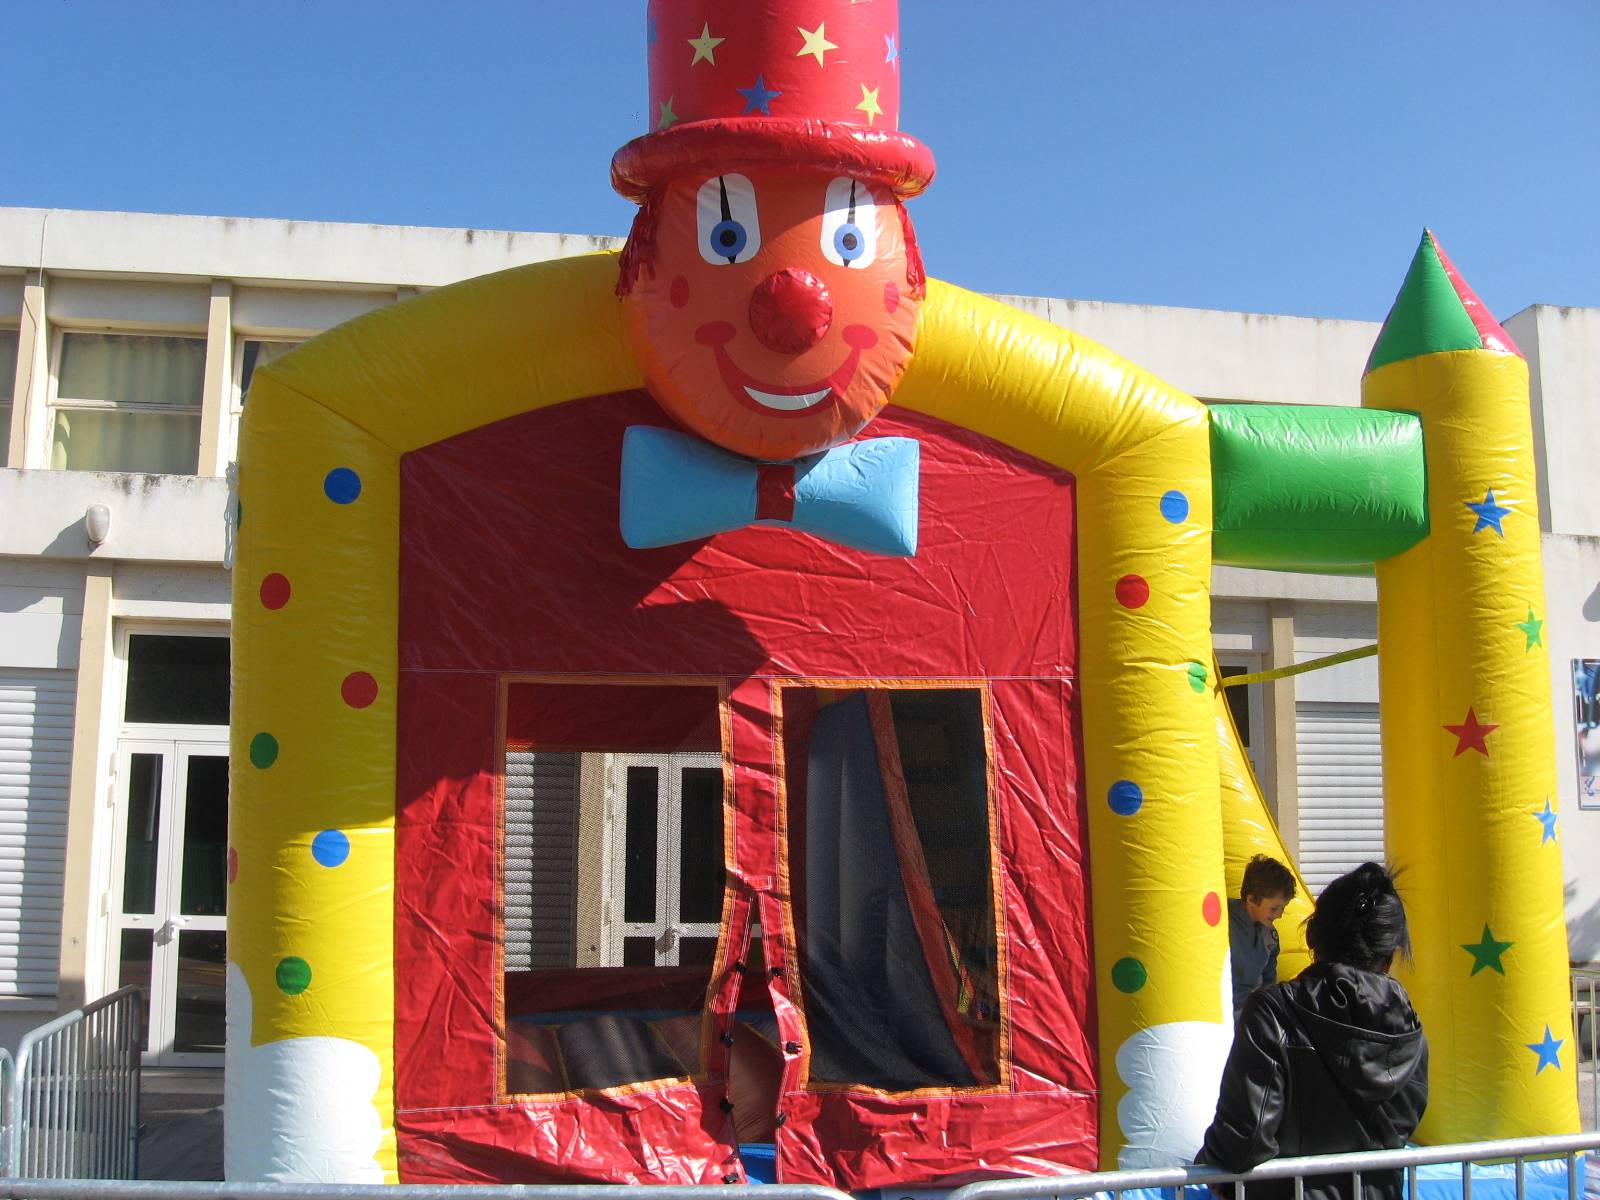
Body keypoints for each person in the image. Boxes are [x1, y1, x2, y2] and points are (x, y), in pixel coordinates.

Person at [1199, 862, 1428, 1200]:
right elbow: (1404, 1124)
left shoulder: (1273, 1011)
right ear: (1391, 953)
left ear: (1313, 935)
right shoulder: (1410, 1026)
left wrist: (1209, 1158)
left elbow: (1243, 1141)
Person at [1229, 855, 1296, 1020]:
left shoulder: (1270, 937)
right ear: (1251, 899)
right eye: (1274, 909)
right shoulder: (1224, 921)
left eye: (1282, 908)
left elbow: (1268, 982)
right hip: (1224, 1010)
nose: (1279, 915)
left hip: (1250, 1014)